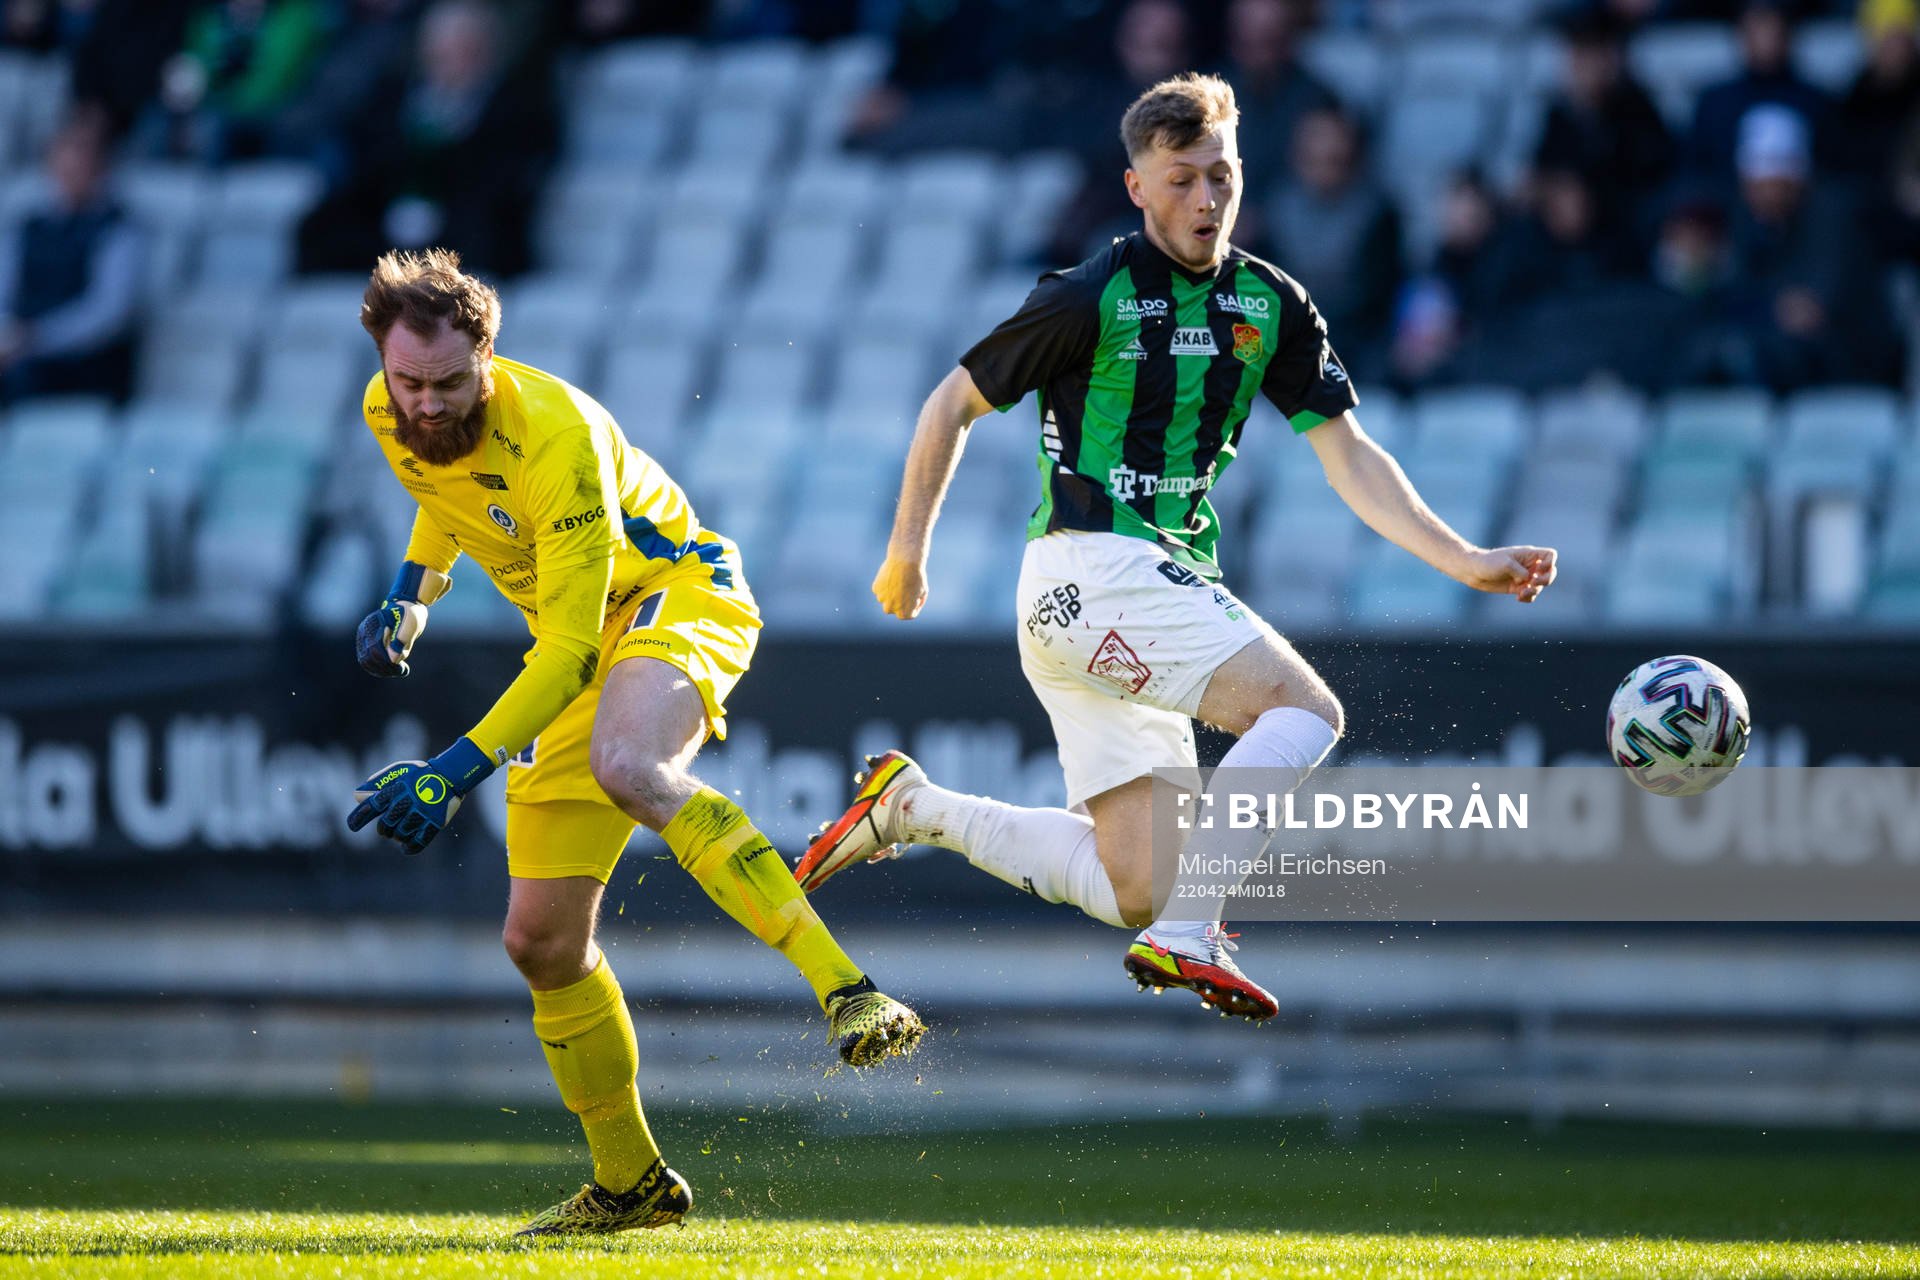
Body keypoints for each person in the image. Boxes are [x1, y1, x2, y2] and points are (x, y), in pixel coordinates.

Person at [796, 74, 1556, 1021]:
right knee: (1304, 712)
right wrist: (907, 551)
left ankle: (913, 809)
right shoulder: (1090, 295)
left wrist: (1461, 558)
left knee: (1137, 887)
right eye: (1183, 180)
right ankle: (1193, 933)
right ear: (1137, 188)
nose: (1206, 199)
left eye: (1221, 176)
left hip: (1105, 600)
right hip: (1098, 566)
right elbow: (952, 402)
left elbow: (1349, 453)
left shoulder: (1270, 303)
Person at [345, 249, 923, 1237]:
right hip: (581, 638)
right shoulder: (387, 409)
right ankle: (631, 1183)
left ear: (488, 359)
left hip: (676, 593)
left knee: (627, 764)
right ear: (386, 367)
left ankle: (850, 991)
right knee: (539, 941)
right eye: (411, 384)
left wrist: (450, 773)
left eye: (449, 384)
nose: (428, 406)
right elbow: (446, 495)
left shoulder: (558, 437)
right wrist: (411, 595)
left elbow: (569, 652)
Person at [0, 108, 143, 405]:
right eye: (65, 160)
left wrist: (38, 338)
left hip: (83, 361)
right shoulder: (27, 227)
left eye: (83, 160)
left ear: (101, 168)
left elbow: (107, 313)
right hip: (21, 348)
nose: (73, 170)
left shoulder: (118, 230)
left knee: (19, 378)